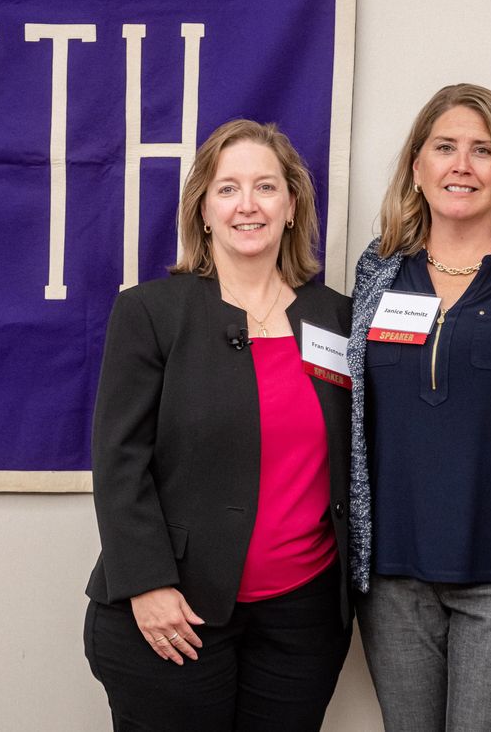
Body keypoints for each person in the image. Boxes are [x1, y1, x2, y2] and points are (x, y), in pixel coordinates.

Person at [83, 119, 354, 732]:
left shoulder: (336, 318)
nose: (247, 205)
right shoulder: (152, 313)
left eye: (266, 187)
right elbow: (119, 462)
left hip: (301, 621)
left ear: (292, 206)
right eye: (227, 189)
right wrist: (146, 585)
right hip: (176, 614)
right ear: (203, 211)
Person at [346, 84, 491, 732]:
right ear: (417, 166)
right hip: (392, 573)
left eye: (482, 150)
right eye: (445, 147)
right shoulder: (380, 269)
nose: (462, 165)